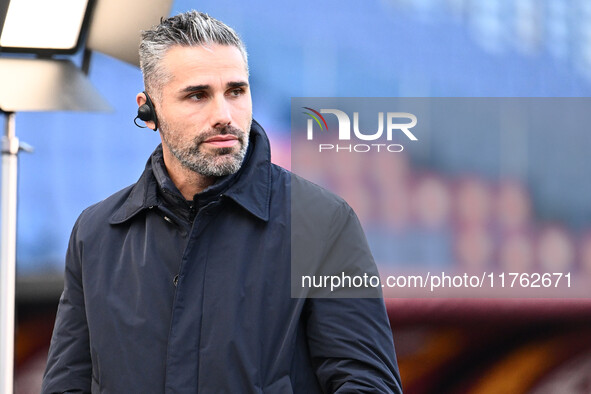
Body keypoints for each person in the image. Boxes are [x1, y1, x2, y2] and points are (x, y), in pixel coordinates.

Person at [42, 10, 402, 393]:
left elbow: (367, 384)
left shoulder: (322, 222)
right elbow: (67, 385)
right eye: (197, 95)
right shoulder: (95, 233)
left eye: (236, 91)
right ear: (148, 110)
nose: (224, 116)